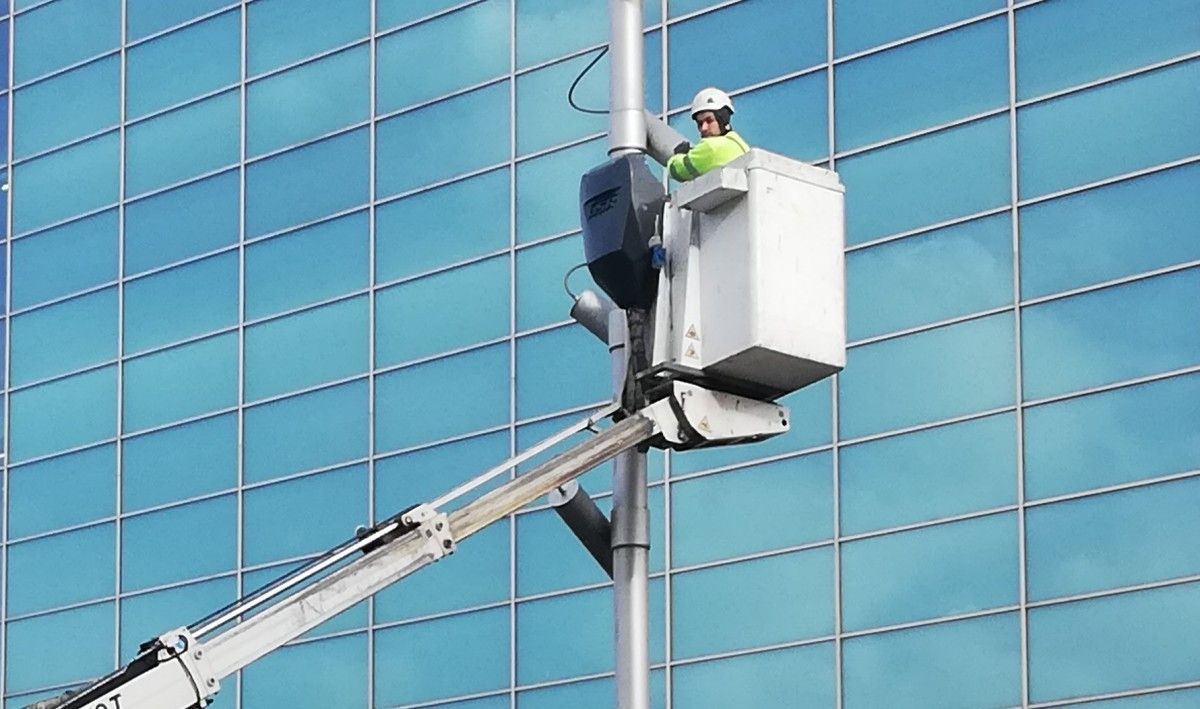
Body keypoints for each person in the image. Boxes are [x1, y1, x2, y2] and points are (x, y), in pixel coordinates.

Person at [666, 87, 750, 182]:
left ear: (722, 119)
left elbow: (676, 171)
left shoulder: (711, 147)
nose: (703, 128)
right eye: (700, 123)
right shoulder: (742, 147)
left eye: (709, 121)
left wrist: (678, 155)